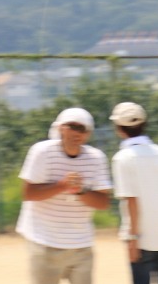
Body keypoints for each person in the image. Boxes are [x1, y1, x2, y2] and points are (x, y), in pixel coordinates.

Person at [16, 107, 113, 284]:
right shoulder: (42, 152)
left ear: (88, 134)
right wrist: (62, 185)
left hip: (81, 244)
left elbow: (103, 202)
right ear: (60, 128)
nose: (78, 133)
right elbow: (28, 193)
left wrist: (81, 190)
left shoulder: (96, 158)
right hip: (44, 241)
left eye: (83, 129)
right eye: (73, 127)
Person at [110, 102, 158, 284]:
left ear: (119, 128)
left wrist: (133, 238)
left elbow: (131, 200)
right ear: (144, 124)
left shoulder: (122, 158)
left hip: (141, 239)